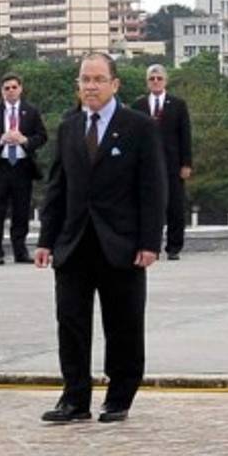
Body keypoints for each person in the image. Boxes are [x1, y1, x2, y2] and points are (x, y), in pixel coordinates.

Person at [35, 52, 167, 424]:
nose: (90, 86)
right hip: (74, 241)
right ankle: (74, 398)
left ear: (114, 84)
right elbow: (56, 188)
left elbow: (152, 189)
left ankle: (119, 396)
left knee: (123, 322)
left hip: (122, 243)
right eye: (84, 79)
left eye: (97, 79)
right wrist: (46, 239)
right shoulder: (69, 127)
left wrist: (149, 242)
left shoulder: (138, 127)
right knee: (71, 321)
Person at [0, 72, 49, 265]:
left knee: (22, 211)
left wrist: (25, 140)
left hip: (22, 167)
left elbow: (42, 136)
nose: (11, 91)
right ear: (2, 91)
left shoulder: (31, 111)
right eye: (7, 88)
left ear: (21, 89)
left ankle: (20, 251)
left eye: (14, 87)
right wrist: (1, 138)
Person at [130, 65, 192, 260]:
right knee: (148, 206)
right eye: (152, 78)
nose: (155, 81)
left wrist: (186, 163)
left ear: (165, 81)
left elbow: (185, 135)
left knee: (175, 206)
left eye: (159, 78)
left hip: (172, 163)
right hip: (146, 164)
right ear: (147, 81)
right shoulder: (138, 105)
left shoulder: (178, 104)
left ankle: (174, 247)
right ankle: (150, 246)